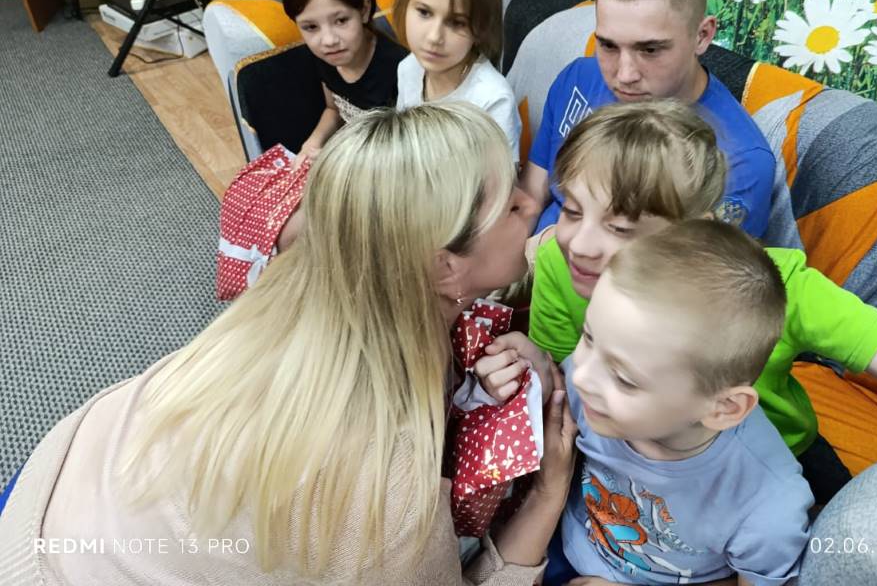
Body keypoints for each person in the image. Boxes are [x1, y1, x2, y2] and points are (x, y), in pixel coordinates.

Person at [0, 103, 577, 585]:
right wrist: (547, 495)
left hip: (48, 493)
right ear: (445, 267)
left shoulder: (304, 286)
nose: (534, 202)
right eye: (510, 204)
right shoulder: (389, 484)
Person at [481, 100, 877, 585]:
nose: (580, 245)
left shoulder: (779, 288)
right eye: (572, 210)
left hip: (759, 471)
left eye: (622, 228)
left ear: (698, 231)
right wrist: (535, 364)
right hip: (621, 472)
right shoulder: (561, 263)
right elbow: (572, 391)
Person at [549, 219, 813, 585]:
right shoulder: (588, 388)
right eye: (589, 338)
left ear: (723, 408)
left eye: (624, 379)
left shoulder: (765, 507)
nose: (582, 377)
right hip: (563, 540)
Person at [518, 0, 774, 237]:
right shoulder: (577, 78)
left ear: (702, 36)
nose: (625, 75)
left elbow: (690, 266)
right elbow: (531, 199)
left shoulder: (739, 160)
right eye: (608, 46)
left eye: (650, 50)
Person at [393, 0, 521, 158]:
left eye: (457, 23)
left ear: (481, 28)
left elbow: (503, 178)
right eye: (424, 12)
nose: (434, 37)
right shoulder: (408, 68)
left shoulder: (492, 99)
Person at [281, 0, 407, 166]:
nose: (328, 40)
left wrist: (337, 159)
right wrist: (312, 143)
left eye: (340, 20)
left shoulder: (399, 68)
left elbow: (404, 149)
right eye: (311, 27)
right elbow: (334, 108)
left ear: (364, 10)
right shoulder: (326, 57)